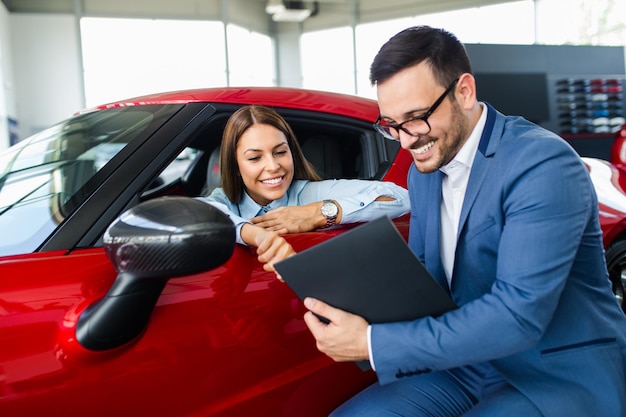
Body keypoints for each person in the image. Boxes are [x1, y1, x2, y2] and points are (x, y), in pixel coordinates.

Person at [302, 26, 626, 417]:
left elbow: (518, 316)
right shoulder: (422, 173)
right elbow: (424, 280)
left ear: (464, 91)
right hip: (463, 366)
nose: (405, 140)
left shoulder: (542, 163)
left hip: (549, 371)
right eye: (391, 125)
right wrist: (353, 302)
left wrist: (373, 343)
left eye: (416, 118)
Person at [200, 104, 410, 274]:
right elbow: (199, 212)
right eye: (255, 158)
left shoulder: (308, 193)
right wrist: (257, 236)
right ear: (236, 167)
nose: (273, 167)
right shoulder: (224, 200)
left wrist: (317, 213)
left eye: (280, 152)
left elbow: (402, 198)